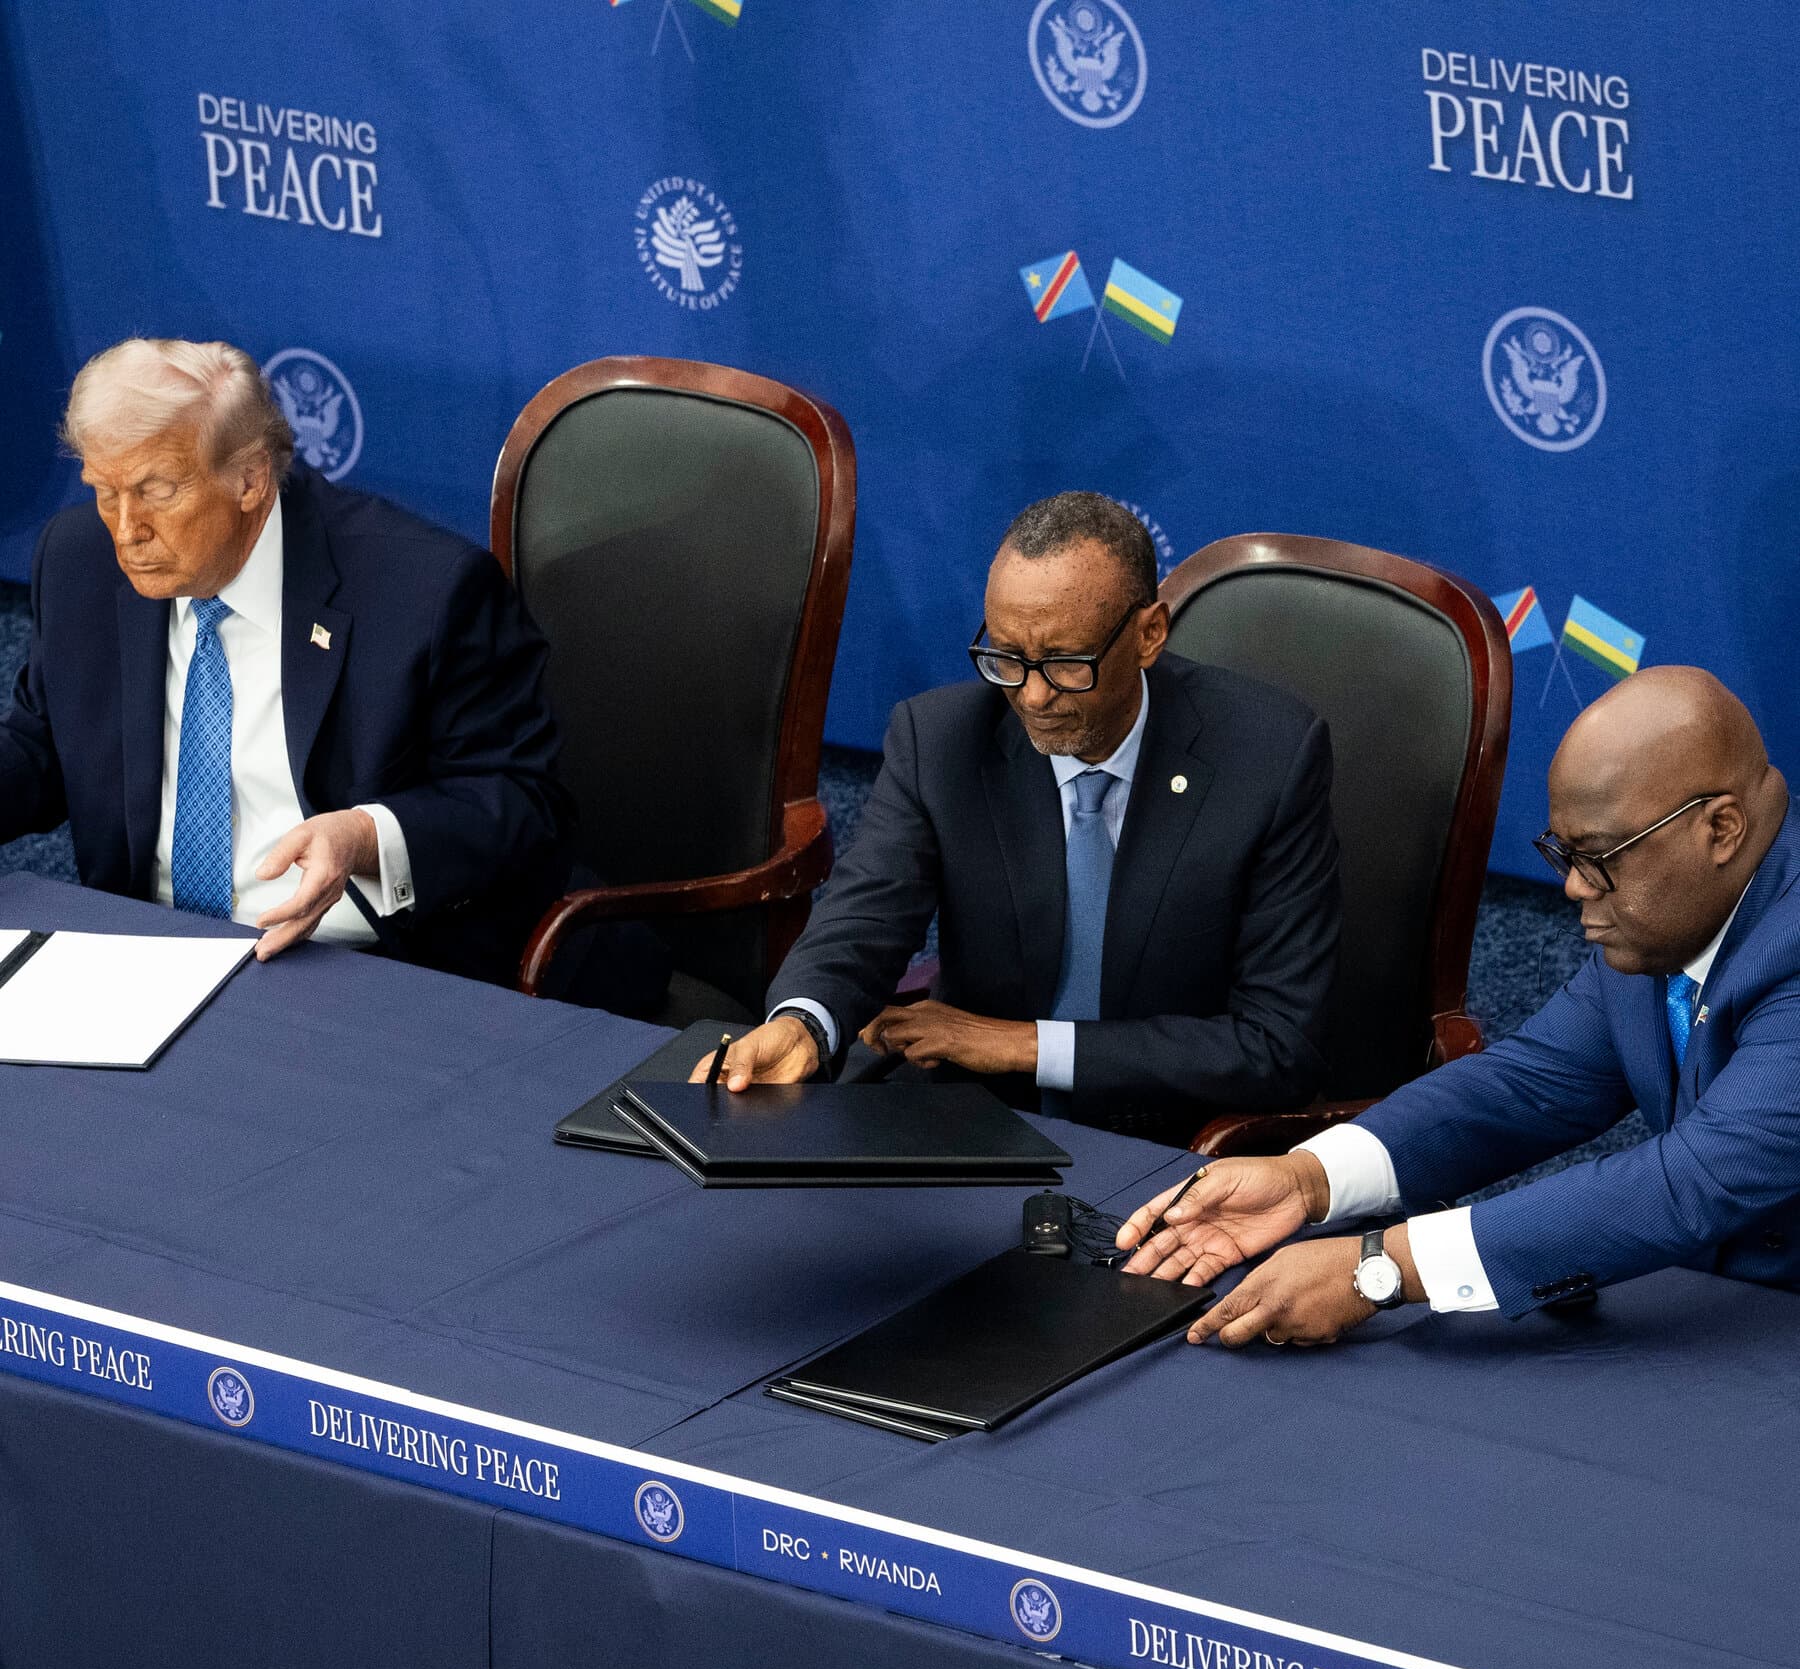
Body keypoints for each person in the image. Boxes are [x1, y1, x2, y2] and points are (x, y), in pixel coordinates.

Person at [1116, 666, 1800, 1342]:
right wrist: (1307, 1179)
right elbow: (1529, 1083)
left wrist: (1382, 1268)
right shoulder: (1664, 917)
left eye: (1599, 857)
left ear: (1721, 828)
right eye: (1563, 854)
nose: (1572, 889)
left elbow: (1694, 1183)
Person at [692, 491, 1340, 1141]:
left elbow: (1276, 1045)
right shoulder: (941, 739)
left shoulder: (1269, 758)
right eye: (1006, 657)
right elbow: (866, 914)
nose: (1032, 695)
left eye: (1064, 663)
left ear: (1149, 635)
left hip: (1174, 1136)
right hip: (977, 1118)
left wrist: (1025, 1045)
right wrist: (802, 1023)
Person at [0, 336, 576, 987]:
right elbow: (44, 742)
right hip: (143, 962)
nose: (125, 529)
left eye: (155, 491)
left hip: (348, 966)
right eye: (104, 491)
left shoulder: (426, 591)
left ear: (248, 478)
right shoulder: (78, 559)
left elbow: (525, 803)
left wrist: (365, 837)